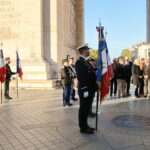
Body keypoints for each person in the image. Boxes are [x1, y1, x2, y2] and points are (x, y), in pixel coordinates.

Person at [75, 44, 97, 134]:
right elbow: (81, 77)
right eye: (88, 49)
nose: (89, 51)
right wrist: (84, 89)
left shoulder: (86, 61)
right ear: (83, 51)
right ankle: (82, 127)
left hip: (90, 89)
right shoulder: (79, 62)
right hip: (85, 90)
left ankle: (86, 125)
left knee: (87, 108)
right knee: (83, 109)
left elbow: (90, 74)